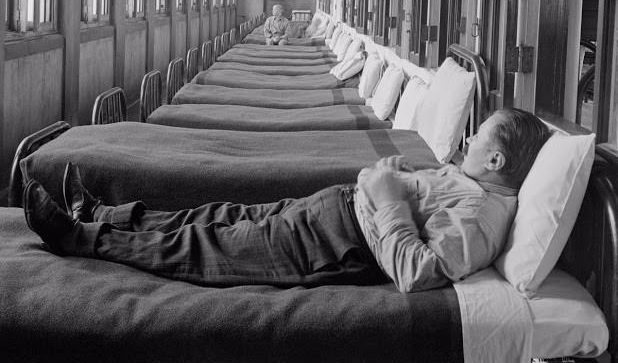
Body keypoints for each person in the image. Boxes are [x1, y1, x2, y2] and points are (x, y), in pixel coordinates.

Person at [23, 108, 551, 292]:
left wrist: (388, 192)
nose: (468, 141)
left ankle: (80, 238)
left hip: (332, 242)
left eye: (477, 137)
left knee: (204, 247)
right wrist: (399, 177)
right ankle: (101, 212)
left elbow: (417, 271)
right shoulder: (471, 185)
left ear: (499, 162)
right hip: (332, 209)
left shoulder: (483, 216)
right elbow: (419, 206)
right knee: (213, 215)